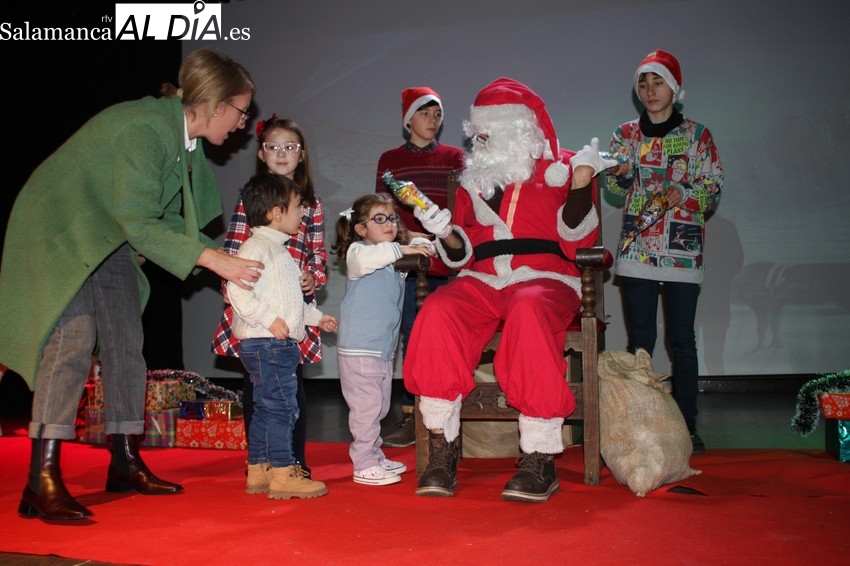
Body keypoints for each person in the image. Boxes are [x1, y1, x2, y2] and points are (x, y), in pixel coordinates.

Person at [0, 47, 261, 521]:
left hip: (109, 232)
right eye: (241, 111)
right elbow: (143, 223)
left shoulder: (182, 141)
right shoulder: (147, 128)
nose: (242, 124)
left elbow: (165, 223)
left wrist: (230, 257)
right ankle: (43, 477)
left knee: (126, 339)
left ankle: (123, 459)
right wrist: (214, 261)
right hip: (62, 229)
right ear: (217, 102)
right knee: (72, 339)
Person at [403, 77, 617, 502]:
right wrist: (444, 233)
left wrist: (580, 184)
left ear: (519, 127)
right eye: (478, 130)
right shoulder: (471, 180)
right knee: (437, 312)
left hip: (546, 277)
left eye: (491, 129)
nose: (481, 137)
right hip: (481, 278)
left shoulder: (565, 168)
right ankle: (443, 448)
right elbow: (462, 256)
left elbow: (578, 243)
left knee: (529, 310)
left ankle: (540, 454)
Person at [605, 49, 723, 455]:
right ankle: (641, 424)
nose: (650, 90)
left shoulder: (697, 135)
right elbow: (616, 190)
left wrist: (685, 192)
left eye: (658, 82)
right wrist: (618, 175)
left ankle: (687, 425)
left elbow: (712, 189)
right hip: (637, 247)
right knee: (641, 339)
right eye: (643, 83)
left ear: (674, 88)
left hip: (682, 250)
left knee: (681, 340)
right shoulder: (624, 135)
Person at [212, 116, 327, 476]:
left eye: (290, 147)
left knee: (292, 390)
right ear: (262, 154)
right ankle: (260, 462)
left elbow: (318, 256)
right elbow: (233, 254)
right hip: (258, 310)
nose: (282, 153)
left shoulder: (311, 204)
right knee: (258, 389)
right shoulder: (253, 199)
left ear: (301, 155)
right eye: (273, 147)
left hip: (292, 312)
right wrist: (234, 295)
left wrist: (312, 277)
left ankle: (295, 460)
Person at [228, 173, 338, 500]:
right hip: (268, 343)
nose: (302, 213)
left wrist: (318, 318)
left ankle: (258, 470)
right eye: (296, 207)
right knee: (283, 408)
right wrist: (267, 319)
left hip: (271, 342)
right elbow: (237, 289)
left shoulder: (281, 253)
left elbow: (290, 304)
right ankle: (282, 472)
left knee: (265, 407)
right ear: (276, 213)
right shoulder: (257, 248)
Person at [375, 87, 465, 448]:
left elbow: (465, 207)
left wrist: (448, 236)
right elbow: (380, 209)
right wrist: (404, 232)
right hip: (411, 262)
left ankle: (449, 416)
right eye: (425, 114)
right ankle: (413, 417)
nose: (432, 121)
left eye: (437, 115)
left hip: (450, 261)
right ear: (408, 119)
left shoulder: (455, 157)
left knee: (448, 339)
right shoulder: (390, 159)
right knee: (412, 339)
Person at [333, 194, 431, 485]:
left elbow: (424, 248)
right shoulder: (358, 252)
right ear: (360, 229)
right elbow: (378, 256)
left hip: (380, 350)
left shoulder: (391, 258)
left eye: (392, 218)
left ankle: (373, 455)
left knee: (379, 406)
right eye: (379, 219)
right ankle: (363, 463)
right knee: (366, 408)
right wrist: (403, 244)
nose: (389, 223)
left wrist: (413, 239)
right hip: (360, 348)